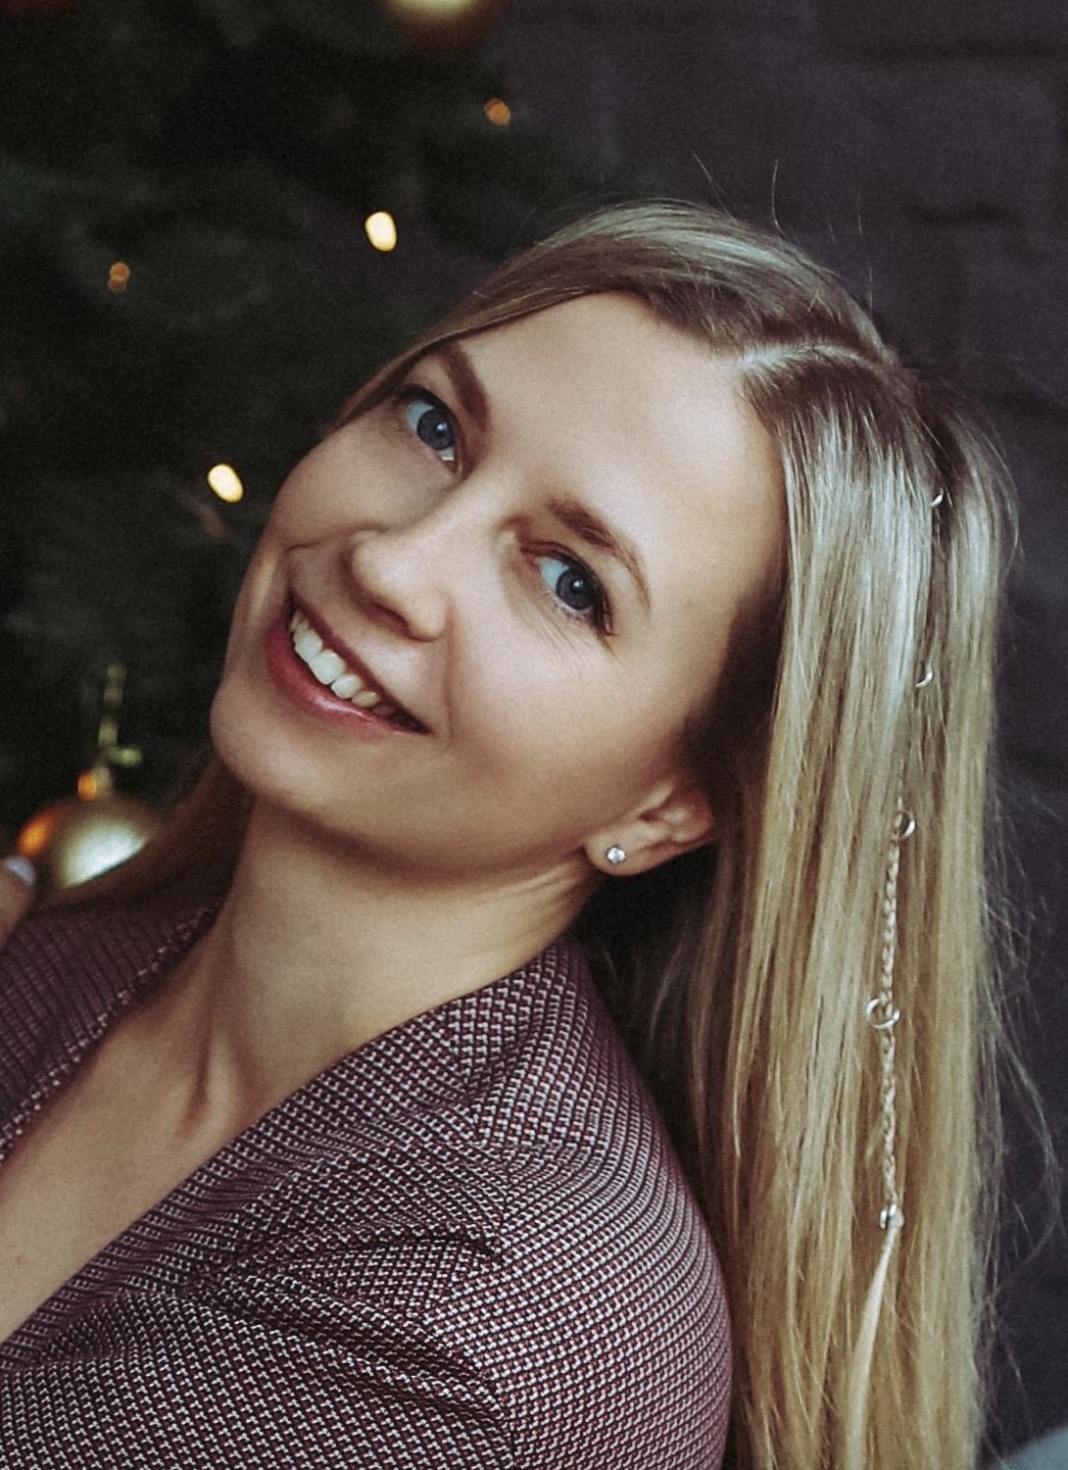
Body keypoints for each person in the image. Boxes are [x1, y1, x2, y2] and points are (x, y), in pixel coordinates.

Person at [0, 202, 1010, 1470]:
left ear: (675, 804)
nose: (394, 562)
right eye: (435, 427)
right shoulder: (70, 958)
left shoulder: (504, 1314)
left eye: (570, 580)